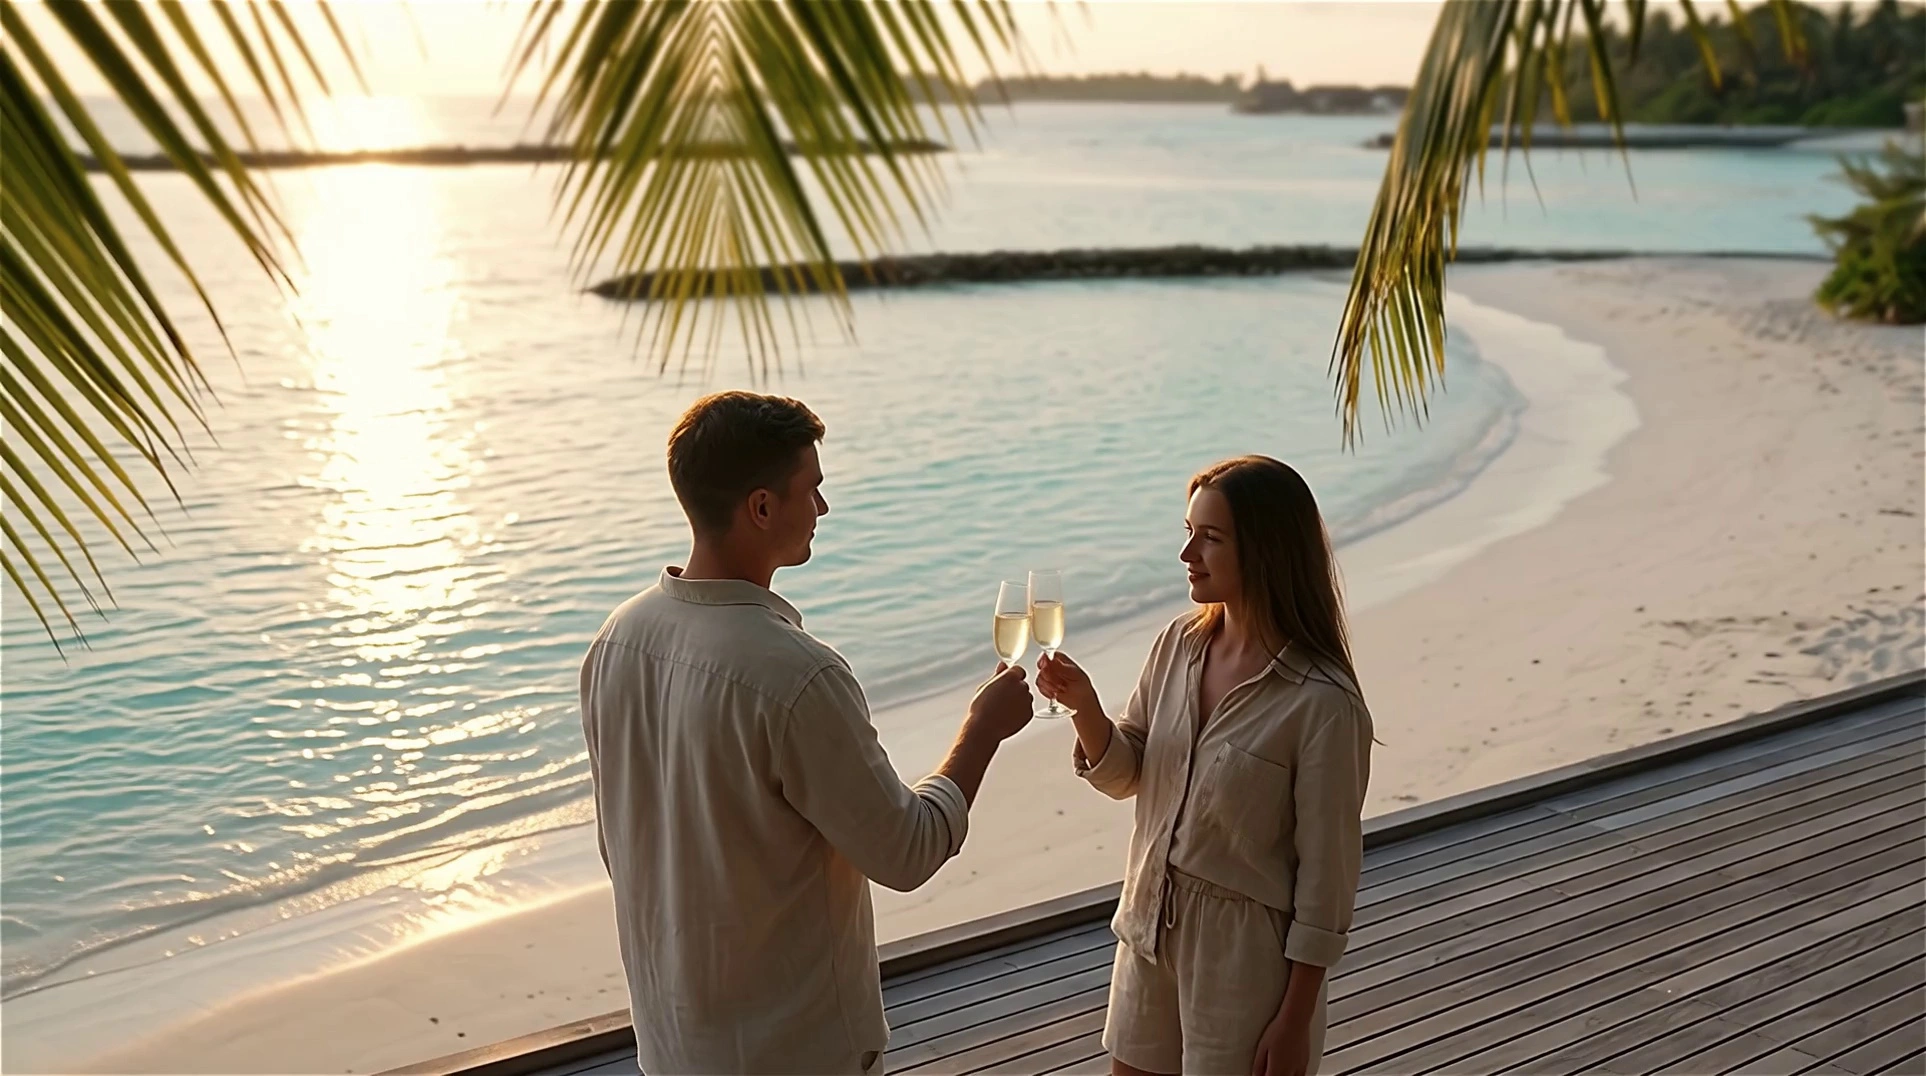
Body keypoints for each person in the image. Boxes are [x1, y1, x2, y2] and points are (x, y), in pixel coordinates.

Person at [580, 391, 1035, 1075]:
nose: (822, 510)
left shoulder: (618, 638)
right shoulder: (796, 676)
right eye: (812, 490)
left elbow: (620, 844)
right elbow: (907, 852)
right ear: (762, 508)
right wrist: (982, 730)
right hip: (794, 1053)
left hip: (673, 1046)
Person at [1037, 455, 1374, 1076]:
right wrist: (1085, 707)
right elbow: (1128, 774)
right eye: (1187, 531)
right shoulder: (1177, 645)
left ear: (1267, 550)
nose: (1188, 553)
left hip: (1243, 964)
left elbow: (1328, 881)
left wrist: (1296, 1018)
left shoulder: (1322, 703)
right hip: (1145, 933)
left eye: (1211, 538)